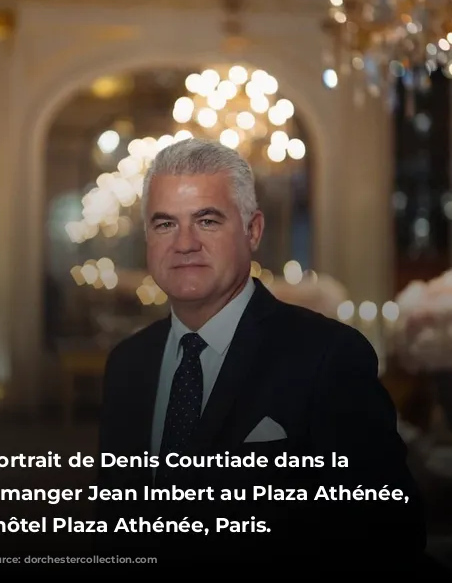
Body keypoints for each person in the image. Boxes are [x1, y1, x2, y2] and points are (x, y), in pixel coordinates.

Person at [95, 138, 435, 573]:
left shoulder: (329, 356)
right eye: (165, 224)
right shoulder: (127, 365)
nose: (184, 243)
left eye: (207, 220)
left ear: (252, 230)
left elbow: (390, 533)